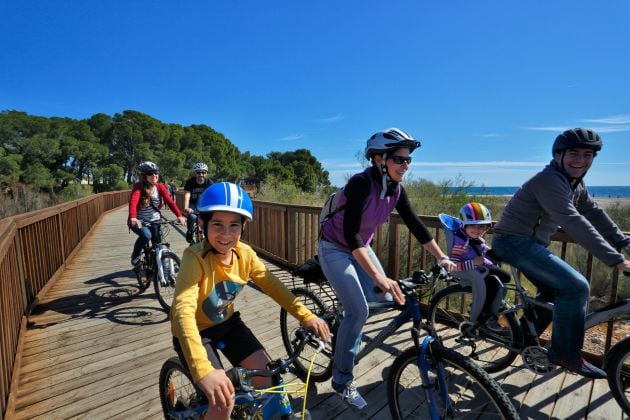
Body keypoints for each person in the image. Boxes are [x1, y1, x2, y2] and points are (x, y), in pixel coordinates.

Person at [317, 128, 456, 409]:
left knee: (390, 298)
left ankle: (344, 320)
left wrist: (442, 257)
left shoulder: (395, 190)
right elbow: (352, 234)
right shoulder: (360, 184)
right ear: (380, 160)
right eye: (399, 160)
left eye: (408, 161)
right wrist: (379, 275)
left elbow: (416, 225)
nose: (405, 166)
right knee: (359, 310)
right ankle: (342, 380)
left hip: (359, 247)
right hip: (335, 246)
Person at [170, 182, 330, 420]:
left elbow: (272, 285)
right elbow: (183, 311)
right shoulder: (194, 258)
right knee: (223, 402)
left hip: (228, 324)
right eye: (217, 225)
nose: (226, 234)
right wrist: (203, 371)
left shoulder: (245, 255)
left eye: (234, 225)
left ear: (243, 227)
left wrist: (306, 315)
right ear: (202, 224)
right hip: (196, 331)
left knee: (270, 378)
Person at [492, 128, 630, 379]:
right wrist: (617, 260)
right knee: (576, 287)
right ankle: (565, 353)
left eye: (588, 155)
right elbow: (573, 220)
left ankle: (522, 335)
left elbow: (595, 213)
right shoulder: (549, 180)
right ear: (558, 155)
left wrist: (622, 242)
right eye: (574, 153)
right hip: (512, 242)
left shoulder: (575, 184)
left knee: (555, 292)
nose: (581, 160)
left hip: (529, 245)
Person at [447, 202, 512, 332]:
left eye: (482, 227)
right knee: (495, 284)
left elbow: (482, 248)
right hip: (472, 271)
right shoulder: (460, 244)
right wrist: (474, 262)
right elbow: (453, 266)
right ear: (463, 225)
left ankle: (494, 304)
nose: (478, 230)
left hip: (482, 268)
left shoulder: (474, 238)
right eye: (473, 226)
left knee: (504, 278)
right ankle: (485, 315)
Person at [128, 161, 187, 283]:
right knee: (146, 235)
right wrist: (133, 217)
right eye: (150, 174)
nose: (154, 176)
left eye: (156, 173)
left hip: (155, 221)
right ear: (144, 176)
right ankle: (135, 256)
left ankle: (158, 268)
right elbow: (133, 202)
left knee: (158, 245)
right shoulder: (139, 187)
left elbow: (170, 202)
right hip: (139, 221)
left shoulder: (160, 187)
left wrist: (180, 215)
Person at [183, 162, 214, 243]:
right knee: (192, 217)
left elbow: (213, 195)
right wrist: (186, 207)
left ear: (206, 173)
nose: (201, 174)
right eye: (198, 172)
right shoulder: (190, 182)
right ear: (195, 173)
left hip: (204, 205)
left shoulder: (209, 182)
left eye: (203, 172)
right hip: (193, 204)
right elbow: (187, 194)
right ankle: (189, 232)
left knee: (209, 219)